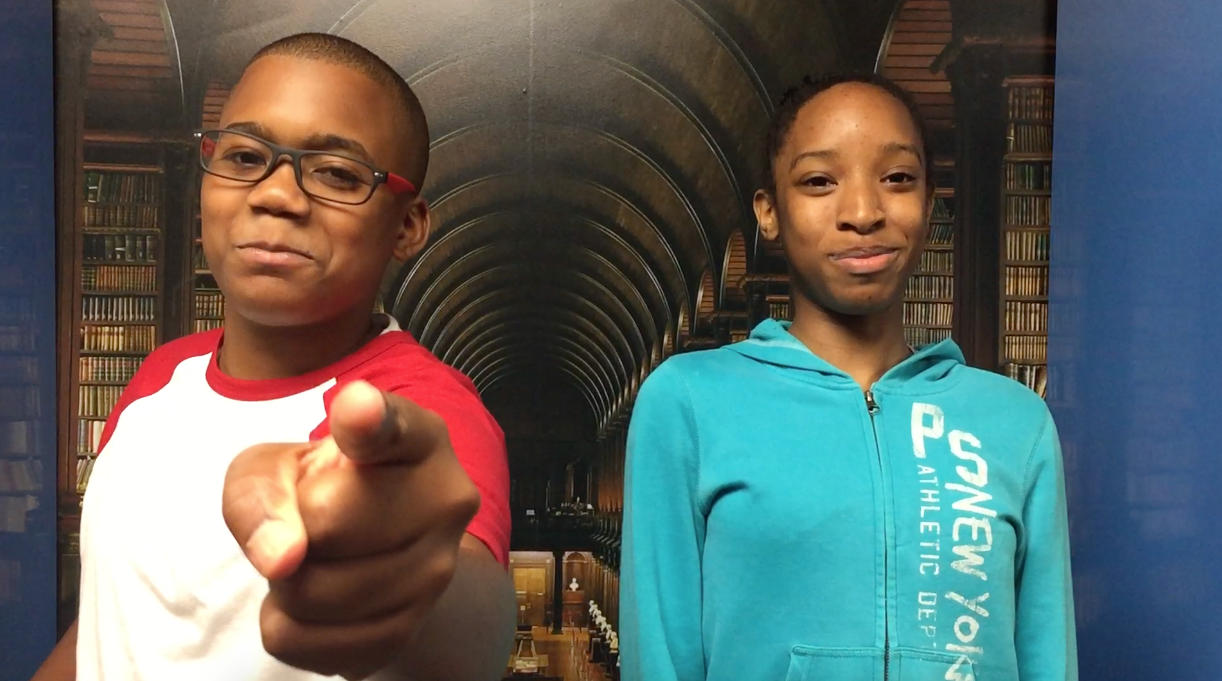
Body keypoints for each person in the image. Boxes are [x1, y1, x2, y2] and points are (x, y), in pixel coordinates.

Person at [31, 32, 515, 681]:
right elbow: (106, 627)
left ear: (407, 226)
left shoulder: (416, 410)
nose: (276, 194)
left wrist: (421, 591)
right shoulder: (160, 375)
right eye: (243, 156)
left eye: (336, 172)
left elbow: (466, 629)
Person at [619, 72, 1077, 681]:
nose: (863, 213)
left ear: (930, 203)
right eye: (818, 181)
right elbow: (659, 659)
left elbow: (1049, 660)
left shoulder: (1016, 423)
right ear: (769, 213)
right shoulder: (688, 403)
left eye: (897, 178)